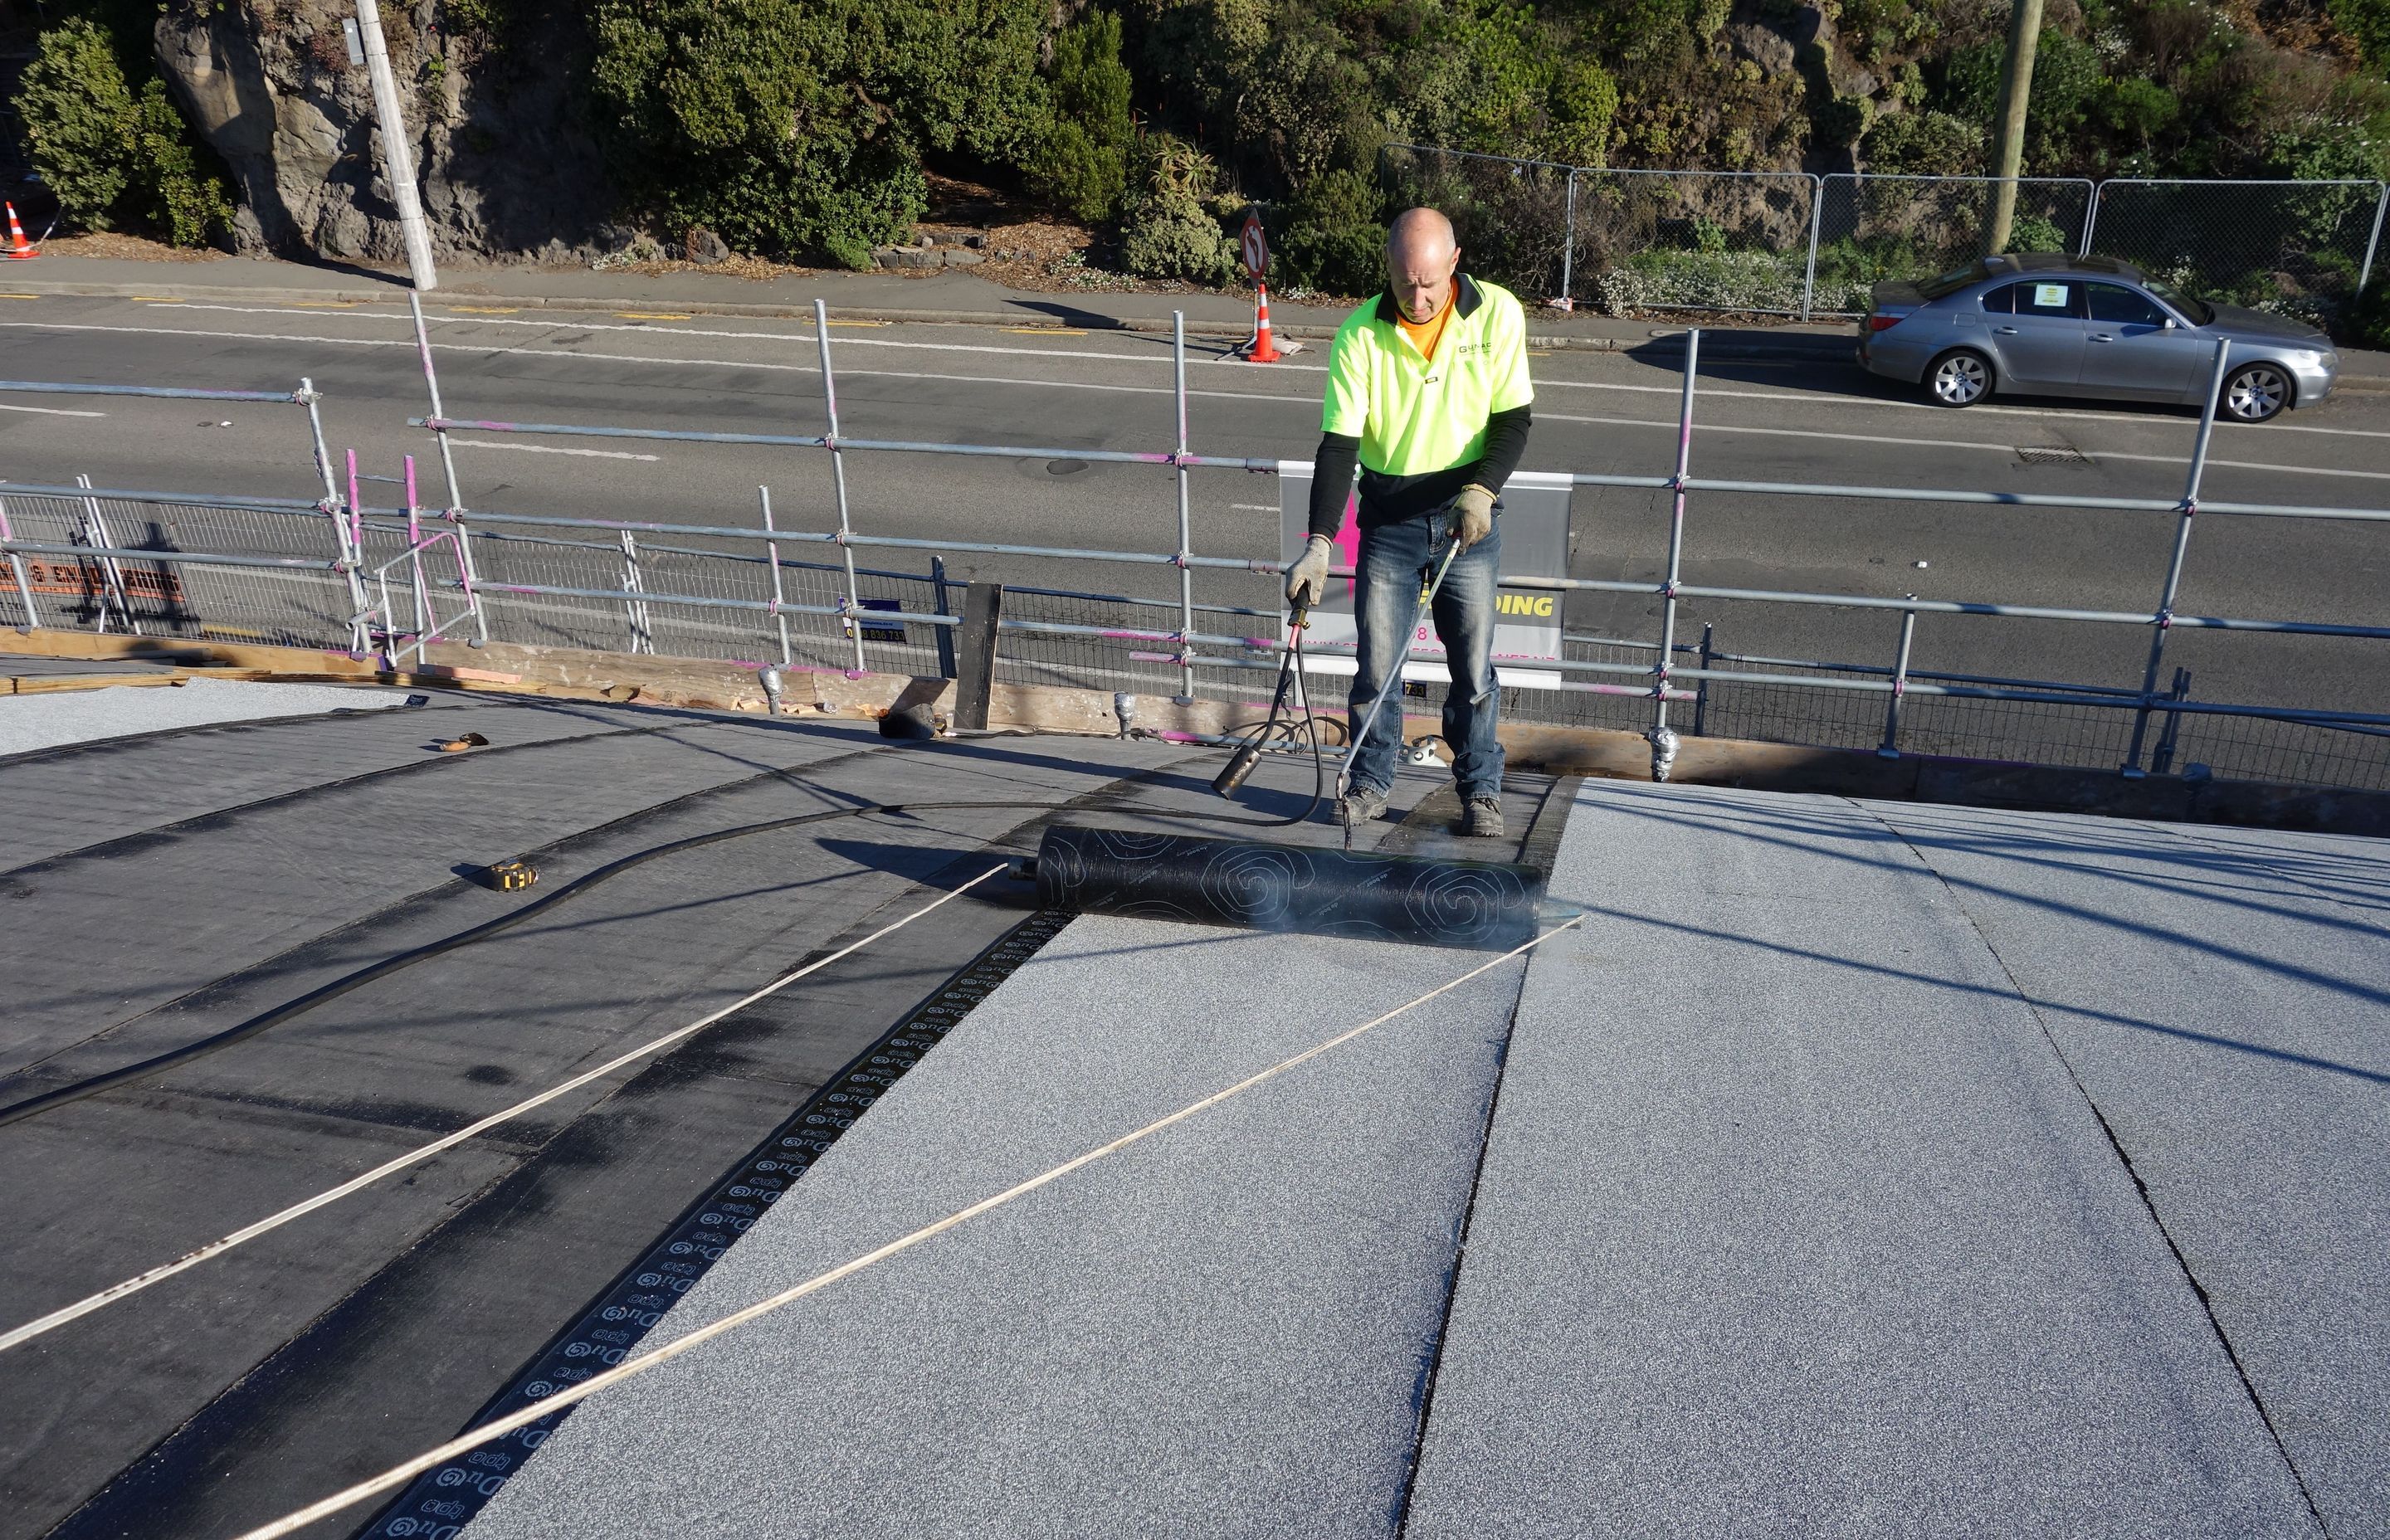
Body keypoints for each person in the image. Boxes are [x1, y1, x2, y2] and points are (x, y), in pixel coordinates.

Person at [1284, 207, 1534, 837]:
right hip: (1390, 524)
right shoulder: (1359, 335)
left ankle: (1481, 792)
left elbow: (1513, 419)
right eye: (1404, 285)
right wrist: (1319, 544)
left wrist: (1481, 491)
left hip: (1465, 522)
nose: (1418, 298)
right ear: (1388, 272)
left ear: (1455, 262)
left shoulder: (1497, 313)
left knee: (1473, 670)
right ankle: (1369, 783)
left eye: (1429, 283)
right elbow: (1339, 447)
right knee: (1378, 668)